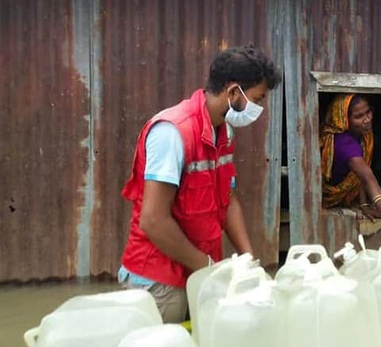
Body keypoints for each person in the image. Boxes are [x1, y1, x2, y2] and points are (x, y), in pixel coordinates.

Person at [118, 45, 282, 323]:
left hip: (199, 275)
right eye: (258, 98)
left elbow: (227, 199)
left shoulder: (224, 131)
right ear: (233, 92)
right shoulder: (172, 133)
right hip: (159, 281)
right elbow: (153, 221)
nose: (260, 108)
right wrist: (210, 270)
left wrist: (249, 261)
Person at [320, 94, 381, 239]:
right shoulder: (343, 143)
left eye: (368, 112)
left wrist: (364, 204)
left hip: (347, 196)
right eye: (359, 116)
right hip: (327, 197)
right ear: (344, 119)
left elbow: (357, 177)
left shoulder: (363, 136)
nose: (367, 119)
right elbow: (367, 177)